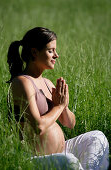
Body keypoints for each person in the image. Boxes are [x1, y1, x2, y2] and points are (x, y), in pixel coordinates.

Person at [7, 27, 109, 170]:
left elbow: (69, 124)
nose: (57, 55)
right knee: (69, 161)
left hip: (62, 152)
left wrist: (64, 106)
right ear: (35, 52)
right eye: (51, 51)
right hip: (34, 158)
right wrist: (58, 107)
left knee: (97, 137)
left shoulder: (48, 83)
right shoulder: (22, 82)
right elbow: (38, 127)